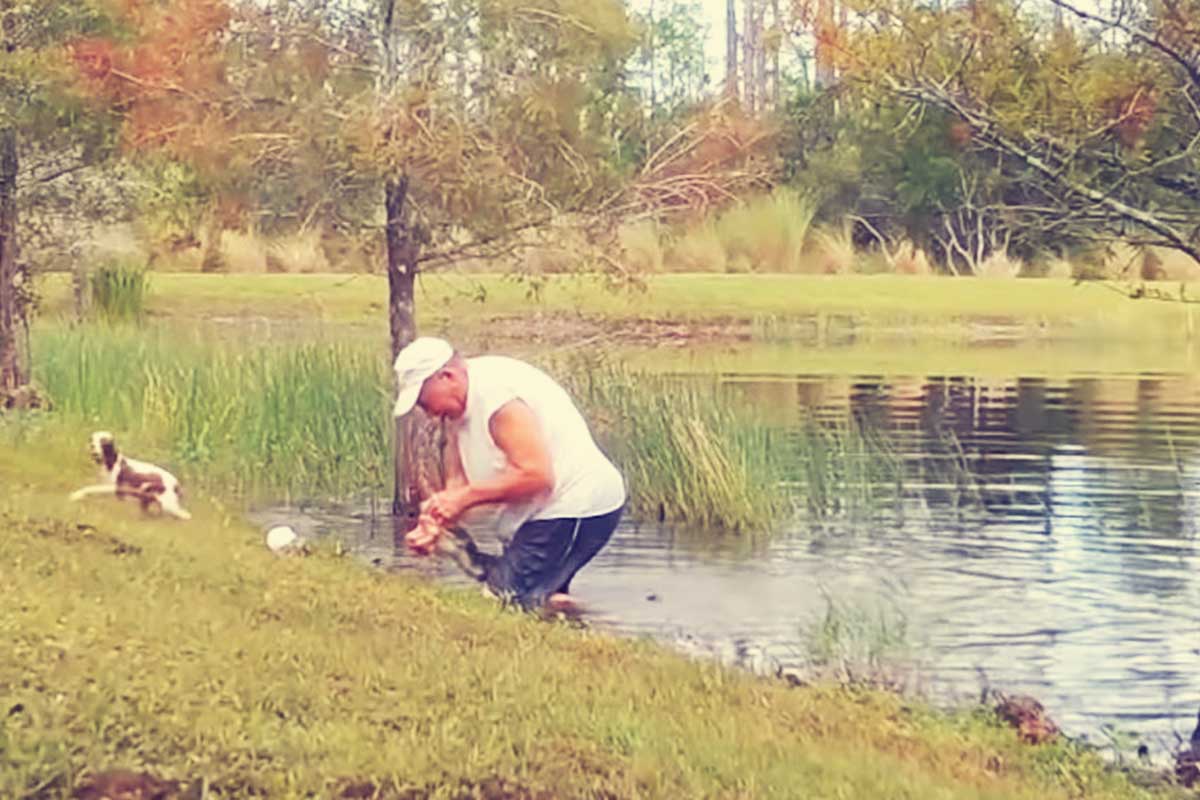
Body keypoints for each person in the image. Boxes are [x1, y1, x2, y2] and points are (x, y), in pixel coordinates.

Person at [393, 337, 626, 613]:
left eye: (422, 399)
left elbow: (537, 476)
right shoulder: (458, 407)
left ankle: (486, 568)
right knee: (543, 596)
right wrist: (437, 520)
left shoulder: (497, 399)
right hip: (544, 512)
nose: (427, 412)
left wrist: (464, 498)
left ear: (447, 376)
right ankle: (567, 618)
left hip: (575, 504)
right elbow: (460, 484)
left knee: (503, 601)